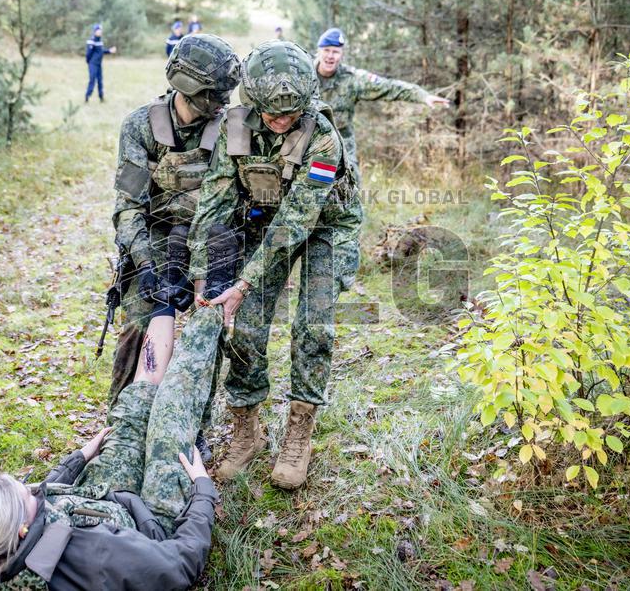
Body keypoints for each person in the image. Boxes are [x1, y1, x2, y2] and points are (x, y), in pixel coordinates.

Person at [0, 303, 227, 591]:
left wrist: (79, 458)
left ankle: (165, 298)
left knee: (134, 404)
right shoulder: (96, 558)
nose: (33, 488)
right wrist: (203, 490)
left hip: (99, 498)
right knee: (173, 404)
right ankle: (214, 304)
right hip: (152, 527)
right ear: (22, 530)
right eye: (27, 493)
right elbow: (180, 564)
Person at [188, 41, 363, 490]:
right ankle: (247, 434)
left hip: (325, 225)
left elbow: (297, 221)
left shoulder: (323, 137)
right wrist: (202, 277)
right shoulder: (236, 127)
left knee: (313, 325)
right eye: (271, 114)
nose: (281, 122)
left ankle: (299, 432)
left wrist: (243, 282)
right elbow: (215, 202)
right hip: (265, 222)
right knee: (244, 325)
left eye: (290, 115)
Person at [111, 33, 240, 461]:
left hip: (209, 238)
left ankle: (192, 429)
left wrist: (203, 270)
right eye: (214, 92)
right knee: (136, 323)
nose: (222, 100)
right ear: (188, 86)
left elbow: (228, 207)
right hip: (153, 239)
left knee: (209, 328)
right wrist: (147, 266)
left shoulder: (227, 130)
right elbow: (128, 207)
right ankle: (123, 422)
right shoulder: (141, 126)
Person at [314, 27, 450, 184]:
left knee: (350, 188)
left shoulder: (352, 79)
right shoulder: (304, 73)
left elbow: (389, 87)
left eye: (335, 52)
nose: (330, 56)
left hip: (341, 143)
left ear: (342, 54)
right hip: (308, 141)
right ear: (319, 51)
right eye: (327, 50)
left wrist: (422, 95)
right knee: (307, 190)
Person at [85, 24, 116, 103]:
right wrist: (89, 62)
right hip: (93, 64)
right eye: (98, 30)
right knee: (92, 80)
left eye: (100, 30)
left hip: (99, 64)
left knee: (100, 81)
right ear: (95, 31)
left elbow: (101, 51)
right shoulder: (91, 41)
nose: (100, 32)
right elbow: (88, 53)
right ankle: (87, 97)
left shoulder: (100, 41)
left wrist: (109, 51)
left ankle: (101, 97)